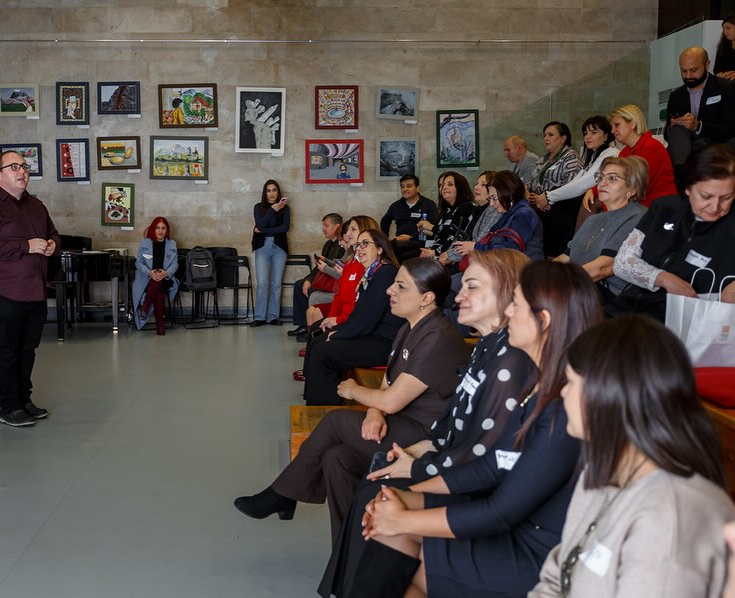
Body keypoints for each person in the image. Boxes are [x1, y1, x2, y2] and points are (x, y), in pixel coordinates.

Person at [333, 261, 602, 598]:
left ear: (543, 320)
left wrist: (403, 519)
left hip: (535, 549)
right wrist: (409, 494)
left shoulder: (563, 405)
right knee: (390, 521)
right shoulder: (539, 387)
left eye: (516, 304)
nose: (508, 313)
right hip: (514, 524)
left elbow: (502, 511)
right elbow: (492, 465)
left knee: (397, 536)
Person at [318, 249, 535, 597]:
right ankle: (344, 585)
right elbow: (452, 422)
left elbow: (486, 455)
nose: (458, 296)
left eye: (472, 287)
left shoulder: (509, 359)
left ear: (506, 294)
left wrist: (419, 465)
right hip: (444, 455)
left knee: (375, 490)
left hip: (472, 484)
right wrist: (417, 451)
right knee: (345, 462)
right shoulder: (486, 346)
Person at [235, 258, 471, 540]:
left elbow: (392, 401)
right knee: (337, 458)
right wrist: (374, 412)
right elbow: (388, 382)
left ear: (426, 298)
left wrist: (353, 391)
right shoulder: (410, 327)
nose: (389, 291)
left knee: (335, 420)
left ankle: (282, 494)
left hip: (425, 436)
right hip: (401, 421)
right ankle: (348, 546)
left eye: (400, 286)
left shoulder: (437, 337)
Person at [529, 315, 735, 597]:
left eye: (571, 382)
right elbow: (557, 576)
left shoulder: (670, 515)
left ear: (610, 396)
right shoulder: (601, 468)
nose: (563, 392)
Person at [0, 151, 60, 427]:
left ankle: (24, 399)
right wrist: (26, 246)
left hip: (35, 289)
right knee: (7, 350)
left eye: (24, 166)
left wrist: (53, 245)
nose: (22, 171)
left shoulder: (36, 205)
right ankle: (8, 407)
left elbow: (53, 234)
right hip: (4, 292)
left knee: (28, 349)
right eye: (13, 167)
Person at [609, 143, 735, 320]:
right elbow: (622, 262)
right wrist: (664, 279)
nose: (715, 207)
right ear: (688, 188)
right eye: (706, 196)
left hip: (685, 324)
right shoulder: (663, 208)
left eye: (726, 198)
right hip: (629, 308)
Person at [302, 229, 403, 406]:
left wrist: (340, 334)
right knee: (319, 340)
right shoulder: (372, 273)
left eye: (365, 244)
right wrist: (340, 330)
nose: (359, 248)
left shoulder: (386, 272)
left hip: (385, 342)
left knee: (323, 352)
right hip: (372, 334)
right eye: (358, 245)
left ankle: (324, 410)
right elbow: (360, 313)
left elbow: (369, 316)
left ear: (380, 249)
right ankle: (315, 402)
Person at [554, 156, 647, 301]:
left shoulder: (638, 217)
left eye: (612, 178)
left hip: (610, 298)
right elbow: (565, 257)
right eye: (601, 177)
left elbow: (603, 268)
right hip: (579, 287)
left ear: (632, 189)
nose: (602, 182)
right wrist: (543, 274)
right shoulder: (594, 219)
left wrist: (557, 284)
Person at [294, 215, 377, 347]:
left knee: (315, 299)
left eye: (353, 230)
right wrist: (332, 319)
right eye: (348, 231)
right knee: (308, 301)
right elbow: (341, 294)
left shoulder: (371, 265)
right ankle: (309, 340)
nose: (348, 235)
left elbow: (357, 302)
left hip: (353, 320)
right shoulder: (349, 258)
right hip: (345, 311)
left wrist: (337, 321)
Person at [584, 104, 677, 212]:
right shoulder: (625, 152)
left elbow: (636, 188)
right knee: (592, 201)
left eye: (617, 125)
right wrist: (593, 190)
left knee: (597, 202)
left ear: (633, 124)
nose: (613, 131)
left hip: (657, 208)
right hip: (638, 204)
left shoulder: (652, 147)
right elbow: (614, 179)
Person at [529, 116, 618, 215]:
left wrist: (548, 197)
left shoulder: (610, 154)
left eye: (593, 132)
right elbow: (577, 180)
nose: (587, 137)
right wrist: (546, 198)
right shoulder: (594, 156)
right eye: (585, 133)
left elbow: (583, 183)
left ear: (605, 136)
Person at [665, 47, 735, 168]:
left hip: (717, 149)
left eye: (693, 70)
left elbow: (731, 129)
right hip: (685, 150)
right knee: (676, 130)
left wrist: (698, 126)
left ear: (707, 65)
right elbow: (667, 135)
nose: (688, 76)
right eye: (683, 71)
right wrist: (672, 126)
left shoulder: (726, 88)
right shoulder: (676, 96)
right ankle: (682, 172)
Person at [454, 170, 544, 263]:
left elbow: (509, 251)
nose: (491, 204)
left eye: (494, 198)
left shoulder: (523, 216)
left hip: (526, 269)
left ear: (508, 194)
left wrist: (475, 247)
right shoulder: (510, 213)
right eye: (490, 199)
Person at [525, 121, 583, 258]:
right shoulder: (543, 158)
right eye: (545, 135)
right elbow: (529, 182)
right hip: (538, 208)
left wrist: (546, 199)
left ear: (563, 138)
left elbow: (571, 187)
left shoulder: (571, 157)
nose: (546, 138)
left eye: (551, 135)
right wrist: (528, 194)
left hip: (559, 211)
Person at [288, 213, 345, 337]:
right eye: (323, 226)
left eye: (326, 225)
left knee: (313, 291)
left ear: (337, 226)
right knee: (300, 285)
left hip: (333, 282)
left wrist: (325, 266)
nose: (323, 229)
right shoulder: (328, 244)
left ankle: (312, 327)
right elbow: (318, 267)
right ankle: (303, 325)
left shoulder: (343, 246)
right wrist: (308, 279)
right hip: (326, 278)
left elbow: (338, 268)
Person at [250, 179, 290, 326]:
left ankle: (273, 316)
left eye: (274, 190)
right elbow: (260, 224)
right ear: (264, 193)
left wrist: (263, 230)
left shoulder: (285, 209)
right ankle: (259, 317)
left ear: (278, 192)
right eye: (268, 190)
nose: (272, 193)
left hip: (279, 248)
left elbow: (285, 228)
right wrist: (272, 209)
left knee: (276, 283)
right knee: (262, 283)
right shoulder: (258, 207)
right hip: (262, 247)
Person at [418, 172, 476, 268]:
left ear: (460, 187)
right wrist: (430, 249)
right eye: (442, 185)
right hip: (437, 254)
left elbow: (455, 236)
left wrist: (434, 252)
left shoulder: (466, 207)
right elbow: (442, 236)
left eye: (450, 184)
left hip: (452, 259)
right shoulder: (447, 210)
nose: (444, 187)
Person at [132, 217, 179, 336]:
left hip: (166, 278)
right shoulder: (145, 243)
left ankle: (145, 305)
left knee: (159, 281)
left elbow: (175, 264)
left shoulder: (172, 244)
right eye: (158, 228)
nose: (160, 231)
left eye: (163, 228)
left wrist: (166, 273)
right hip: (147, 278)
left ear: (167, 230)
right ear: (153, 229)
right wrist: (150, 273)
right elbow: (138, 263)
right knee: (158, 287)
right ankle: (160, 325)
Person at [444, 171, 501, 268]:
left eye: (483, 185)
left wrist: (449, 255)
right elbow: (463, 236)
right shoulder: (477, 210)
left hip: (480, 263)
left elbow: (480, 241)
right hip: (465, 258)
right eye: (477, 183)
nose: (476, 187)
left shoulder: (494, 210)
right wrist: (447, 253)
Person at [380, 174, 439, 262]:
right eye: (402, 187)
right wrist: (385, 238)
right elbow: (385, 221)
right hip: (400, 243)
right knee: (384, 251)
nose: (405, 189)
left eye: (409, 186)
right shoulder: (396, 205)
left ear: (417, 188)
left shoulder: (429, 205)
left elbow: (434, 228)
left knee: (403, 256)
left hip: (420, 243)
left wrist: (410, 237)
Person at [715, 16, 735, 81]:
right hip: (725, 83)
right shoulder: (722, 47)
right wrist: (722, 75)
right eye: (723, 29)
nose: (725, 32)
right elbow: (716, 70)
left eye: (728, 28)